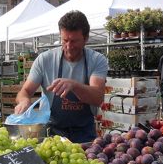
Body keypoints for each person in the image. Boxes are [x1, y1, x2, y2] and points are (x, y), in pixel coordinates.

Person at [14, 10, 108, 143]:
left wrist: (74, 85)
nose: (69, 46)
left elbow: (97, 97)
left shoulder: (97, 60)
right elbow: (25, 91)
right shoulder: (45, 60)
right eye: (65, 40)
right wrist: (24, 101)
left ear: (86, 38)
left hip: (84, 134)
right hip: (52, 133)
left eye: (74, 41)